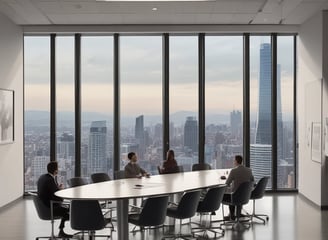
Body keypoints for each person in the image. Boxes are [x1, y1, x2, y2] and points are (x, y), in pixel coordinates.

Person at [37, 161, 72, 238]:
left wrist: (58, 189)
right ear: (55, 170)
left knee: (67, 210)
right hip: (50, 208)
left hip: (43, 207)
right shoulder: (50, 180)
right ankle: (61, 231)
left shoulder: (43, 177)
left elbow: (51, 191)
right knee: (70, 210)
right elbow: (58, 198)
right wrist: (61, 191)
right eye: (57, 168)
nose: (58, 170)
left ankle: (61, 231)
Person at [223, 155, 254, 220]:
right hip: (245, 195)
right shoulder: (249, 170)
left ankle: (232, 215)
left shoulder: (233, 171)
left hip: (235, 196)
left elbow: (227, 183)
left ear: (236, 161)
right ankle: (238, 213)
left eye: (234, 160)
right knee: (239, 192)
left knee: (230, 193)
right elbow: (252, 182)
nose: (233, 162)